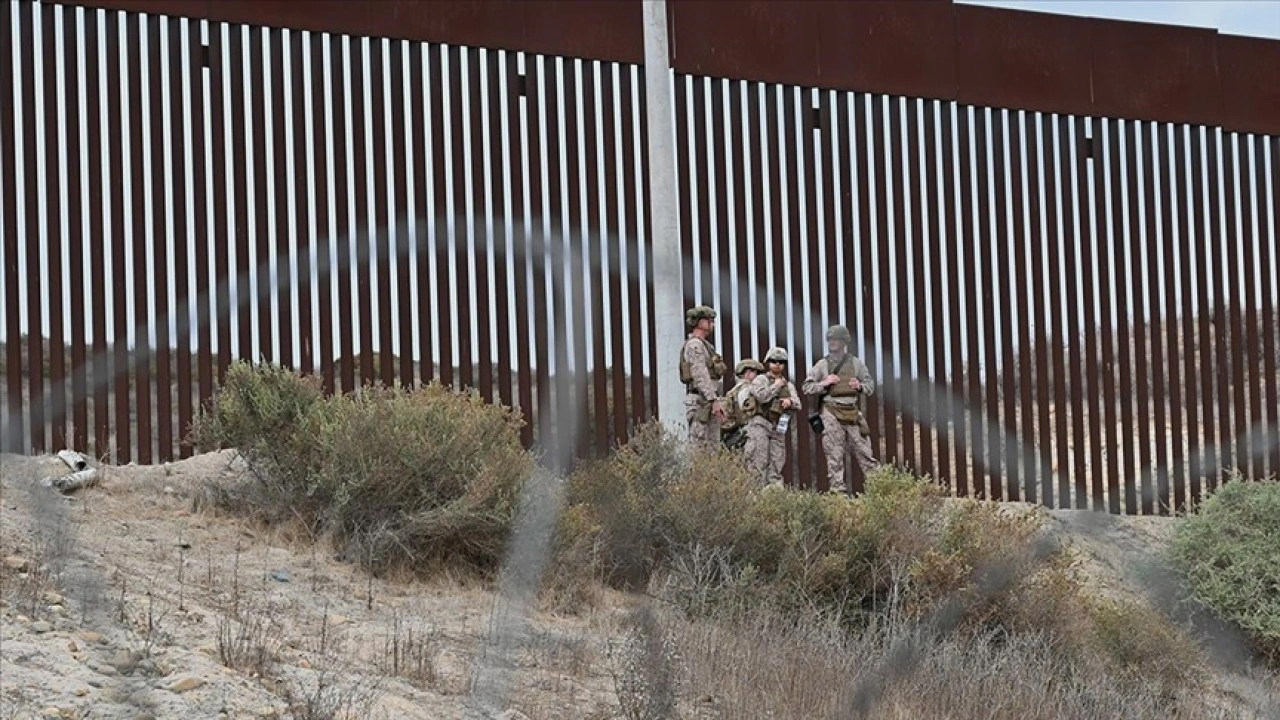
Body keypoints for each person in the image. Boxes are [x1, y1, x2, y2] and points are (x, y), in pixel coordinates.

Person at [803, 325, 879, 494]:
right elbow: (807, 387)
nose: (833, 342)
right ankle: (838, 494)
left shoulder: (855, 363)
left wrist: (859, 386)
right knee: (834, 455)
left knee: (865, 453)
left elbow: (870, 385)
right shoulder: (822, 365)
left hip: (852, 411)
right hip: (831, 411)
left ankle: (878, 491)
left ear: (844, 342)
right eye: (830, 339)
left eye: (836, 339)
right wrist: (824, 383)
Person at [745, 347, 801, 488]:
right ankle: (755, 492)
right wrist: (775, 386)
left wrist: (790, 402)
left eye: (781, 362)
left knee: (777, 461)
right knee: (758, 460)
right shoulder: (760, 380)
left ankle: (773, 493)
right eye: (774, 361)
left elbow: (798, 403)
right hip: (760, 424)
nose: (777, 364)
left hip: (778, 426)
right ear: (768, 363)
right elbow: (762, 397)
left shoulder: (788, 385)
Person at [680, 305, 727, 451]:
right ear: (700, 322)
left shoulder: (706, 346)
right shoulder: (695, 345)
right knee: (699, 449)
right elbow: (699, 374)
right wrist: (712, 400)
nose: (712, 324)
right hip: (701, 402)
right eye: (709, 320)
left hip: (708, 402)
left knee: (712, 450)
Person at [721, 358, 763, 450]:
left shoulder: (733, 391)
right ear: (747, 373)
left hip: (734, 432)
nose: (757, 376)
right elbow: (747, 413)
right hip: (746, 431)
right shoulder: (747, 388)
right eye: (755, 372)